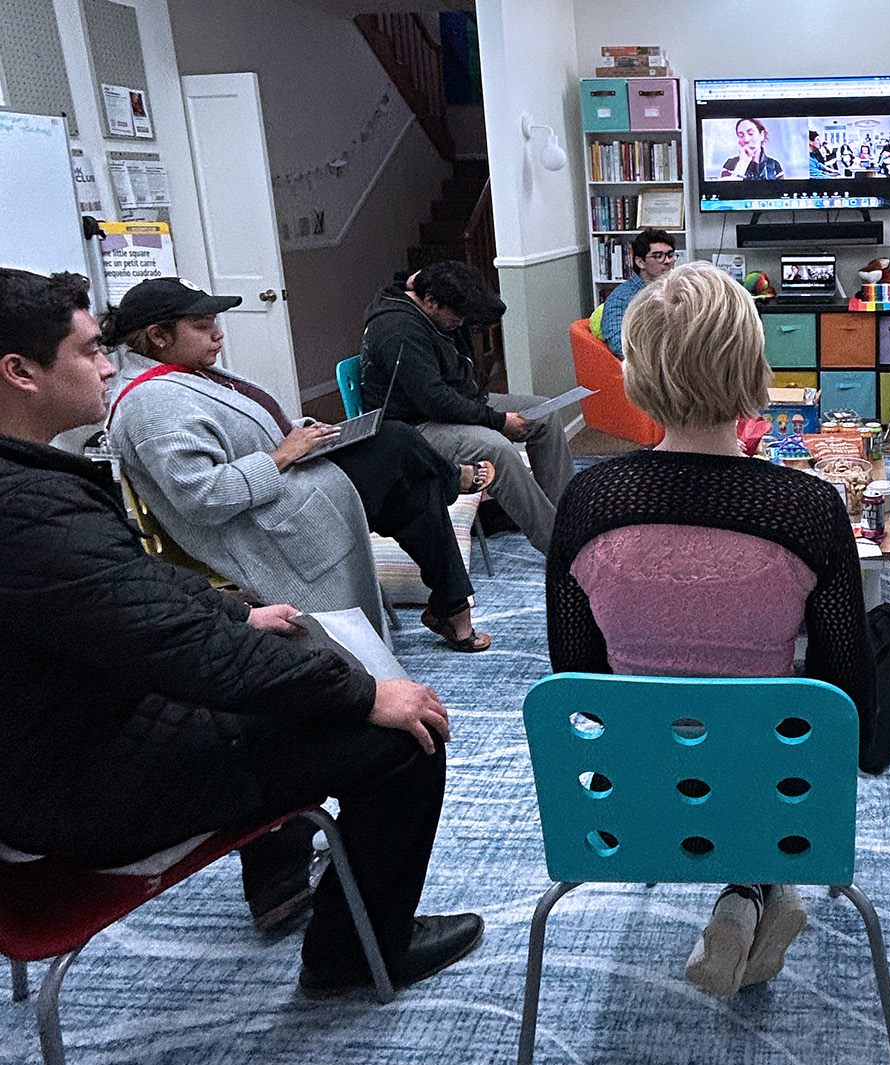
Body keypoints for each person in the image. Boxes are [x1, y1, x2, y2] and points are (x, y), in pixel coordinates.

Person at [0, 267, 482, 993]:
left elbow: (126, 590)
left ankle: (305, 888)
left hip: (73, 738)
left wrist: (236, 610)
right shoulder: (29, 510)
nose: (107, 364)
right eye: (90, 350)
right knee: (406, 734)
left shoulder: (33, 487)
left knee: (296, 652)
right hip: (81, 788)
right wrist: (361, 695)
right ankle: (353, 957)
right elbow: (187, 651)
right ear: (20, 372)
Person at [546, 261, 876, 997]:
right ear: (754, 365)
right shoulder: (809, 509)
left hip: (626, 805)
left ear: (636, 371)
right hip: (783, 800)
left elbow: (575, 679)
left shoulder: (586, 501)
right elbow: (848, 700)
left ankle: (747, 896)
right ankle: (758, 888)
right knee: (782, 730)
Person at [105, 277, 493, 656]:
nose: (218, 334)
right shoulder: (152, 404)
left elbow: (255, 430)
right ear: (158, 336)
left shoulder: (188, 373)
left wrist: (305, 433)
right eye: (203, 326)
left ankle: (451, 604)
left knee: (414, 482)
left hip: (291, 484)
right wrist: (282, 455)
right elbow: (204, 498)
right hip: (270, 519)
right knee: (396, 441)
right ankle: (453, 491)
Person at [361, 260, 575, 555]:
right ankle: (562, 547)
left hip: (454, 401)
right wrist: (498, 420)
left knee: (545, 414)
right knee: (497, 448)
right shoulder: (399, 332)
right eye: (457, 316)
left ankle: (570, 519)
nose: (461, 323)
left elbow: (489, 309)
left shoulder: (428, 297)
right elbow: (434, 400)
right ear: (431, 302)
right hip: (413, 427)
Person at [598, 228, 676, 358]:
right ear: (640, 262)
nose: (667, 261)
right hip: (648, 366)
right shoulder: (620, 299)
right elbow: (619, 346)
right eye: (658, 256)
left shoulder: (675, 290)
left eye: (670, 255)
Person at [719, 118, 784, 180]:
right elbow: (726, 190)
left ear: (761, 135)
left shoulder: (774, 165)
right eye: (741, 135)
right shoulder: (730, 165)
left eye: (751, 133)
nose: (746, 139)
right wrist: (742, 163)